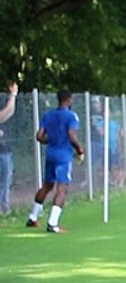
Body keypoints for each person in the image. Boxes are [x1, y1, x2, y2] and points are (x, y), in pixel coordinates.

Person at [26, 89, 84, 233]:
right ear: (69, 100)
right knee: (62, 187)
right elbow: (71, 135)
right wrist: (79, 149)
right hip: (64, 156)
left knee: (47, 185)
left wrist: (51, 140)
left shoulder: (48, 115)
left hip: (51, 154)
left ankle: (33, 217)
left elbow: (39, 136)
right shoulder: (71, 116)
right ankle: (53, 223)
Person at [0, 82, 17, 215]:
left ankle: (4, 208)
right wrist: (13, 95)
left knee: (5, 181)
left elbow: (9, 111)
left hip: (4, 150)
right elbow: (7, 111)